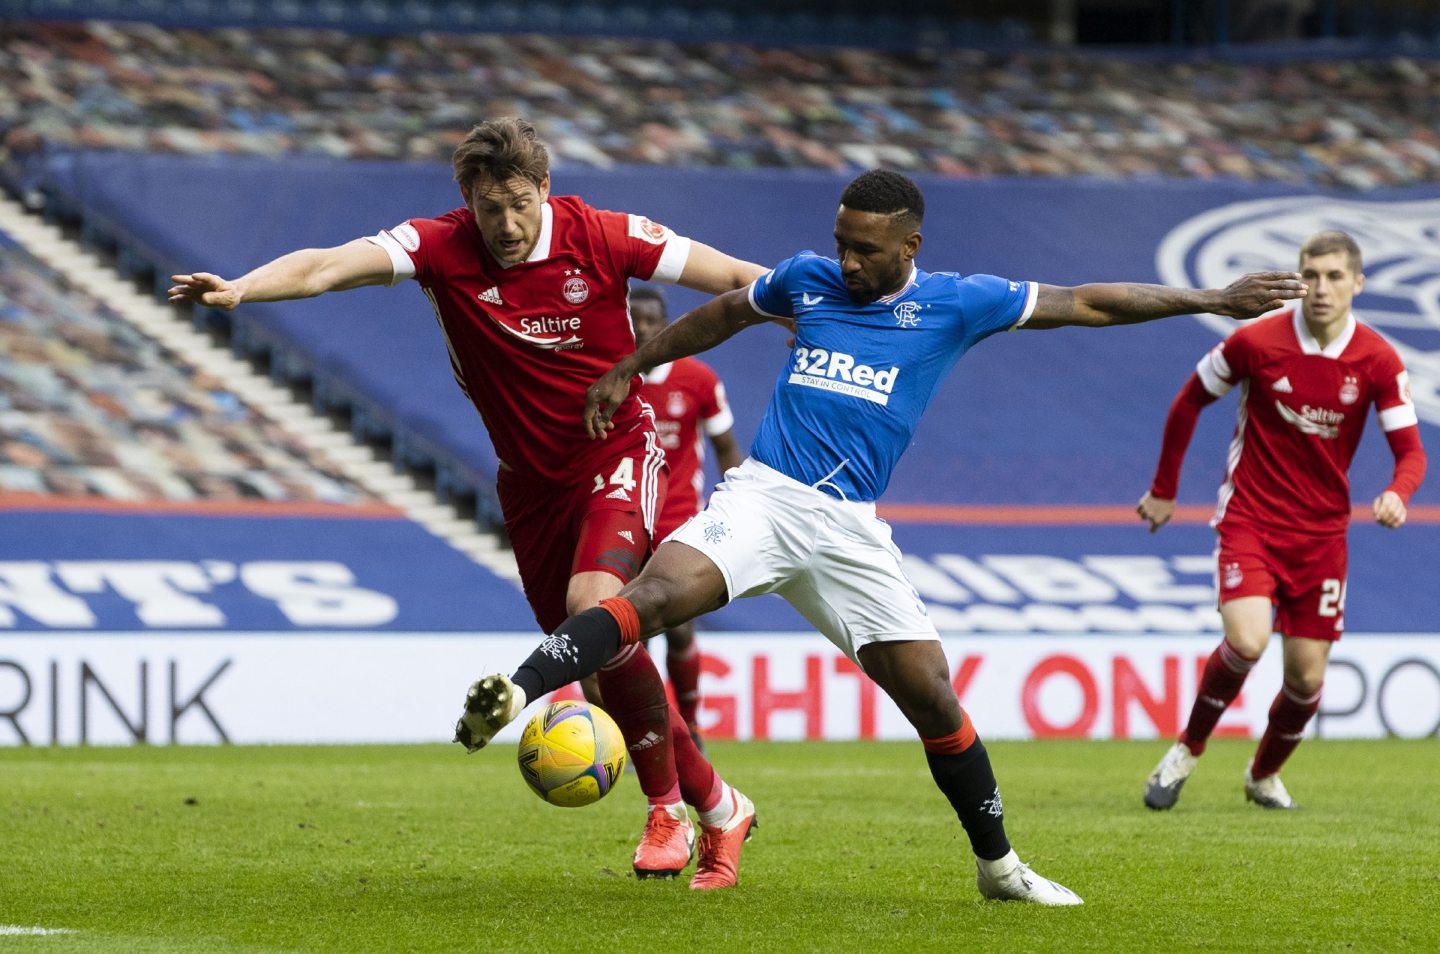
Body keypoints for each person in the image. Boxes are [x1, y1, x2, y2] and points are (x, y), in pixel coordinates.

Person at [454, 169, 1308, 902]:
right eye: (841, 242)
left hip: (850, 531)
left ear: (910, 245)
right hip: (765, 497)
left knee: (931, 694)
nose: (847, 262)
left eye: (865, 249)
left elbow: (1086, 301)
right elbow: (722, 315)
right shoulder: (807, 279)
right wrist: (633, 364)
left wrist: (1210, 299)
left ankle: (1000, 867)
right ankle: (519, 688)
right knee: (653, 596)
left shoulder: (957, 301)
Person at [167, 117, 767, 883]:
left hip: (616, 452)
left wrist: (816, 308)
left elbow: (728, 275)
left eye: (521, 203)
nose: (508, 225)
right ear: (467, 201)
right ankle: (722, 807)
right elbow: (324, 266)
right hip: (528, 485)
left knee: (597, 608)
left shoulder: (608, 235)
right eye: (491, 209)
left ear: (545, 189)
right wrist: (244, 287)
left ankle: (665, 812)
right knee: (595, 655)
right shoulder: (437, 246)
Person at [1139, 230, 1425, 811]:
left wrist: (1398, 492)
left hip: (1322, 536)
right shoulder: (1256, 341)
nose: (1321, 288)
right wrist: (1164, 489)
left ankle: (1262, 775)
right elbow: (1190, 399)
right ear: (1299, 279)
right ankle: (1186, 752)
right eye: (1311, 276)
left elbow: (1412, 452)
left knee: (1305, 681)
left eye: (1334, 277)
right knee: (1246, 641)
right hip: (1251, 518)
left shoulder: (1378, 359)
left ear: (1358, 284)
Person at [580, 285, 744, 751]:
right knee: (631, 630)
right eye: (636, 320)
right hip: (627, 516)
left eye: (653, 321)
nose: (644, 329)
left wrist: (738, 511)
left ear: (667, 325)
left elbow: (726, 449)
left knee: (680, 628)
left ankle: (691, 728)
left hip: (680, 522)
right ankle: (643, 733)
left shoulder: (698, 379)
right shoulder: (610, 379)